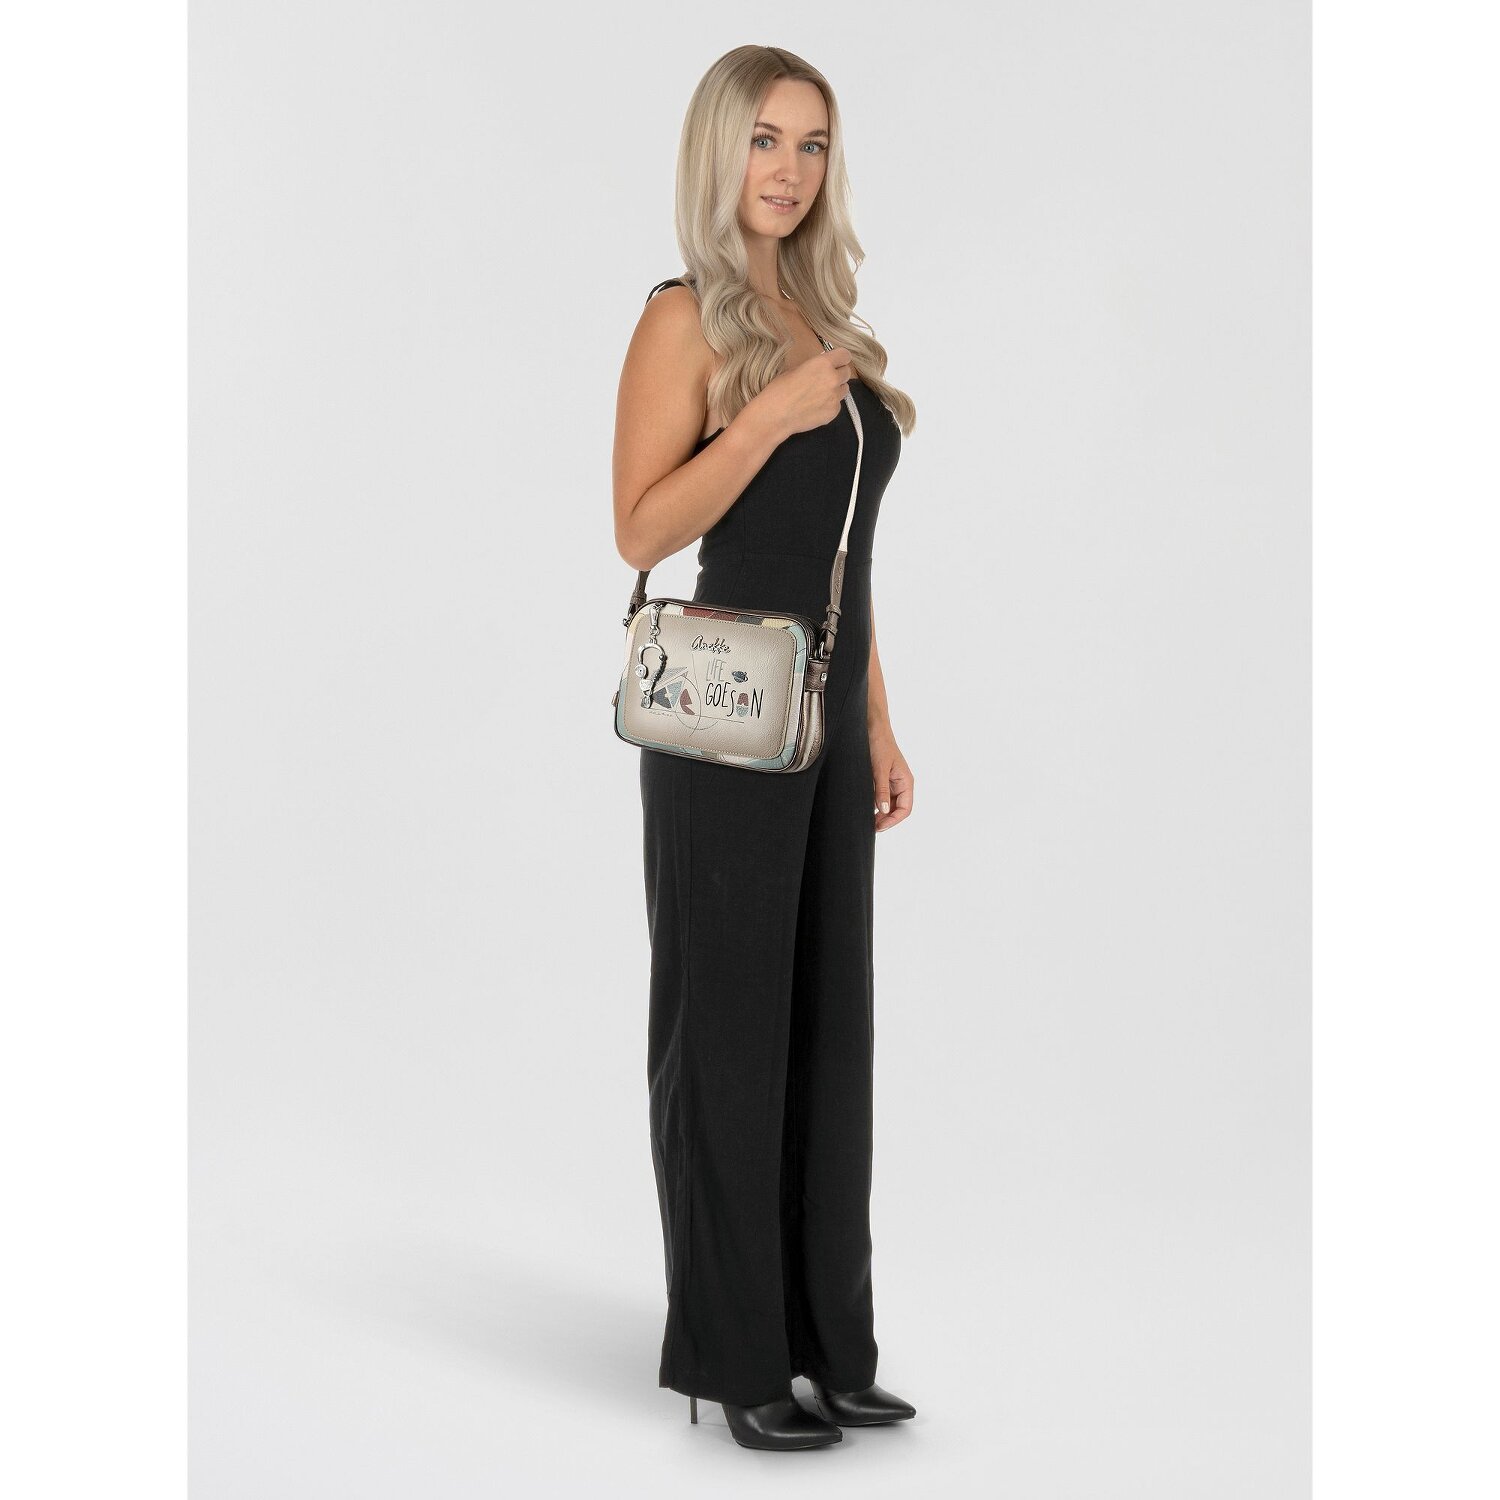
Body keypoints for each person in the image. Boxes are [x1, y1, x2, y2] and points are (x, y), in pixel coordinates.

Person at [612, 45, 918, 1453]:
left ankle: (827, 1346)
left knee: (826, 1031)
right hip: (728, 719)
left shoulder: (826, 321)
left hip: (825, 713)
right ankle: (735, 1355)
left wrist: (876, 720)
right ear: (719, 151)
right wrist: (767, 422)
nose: (789, 170)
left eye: (812, 144)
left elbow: (844, 556)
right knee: (728, 1033)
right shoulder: (685, 315)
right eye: (765, 141)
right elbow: (639, 527)